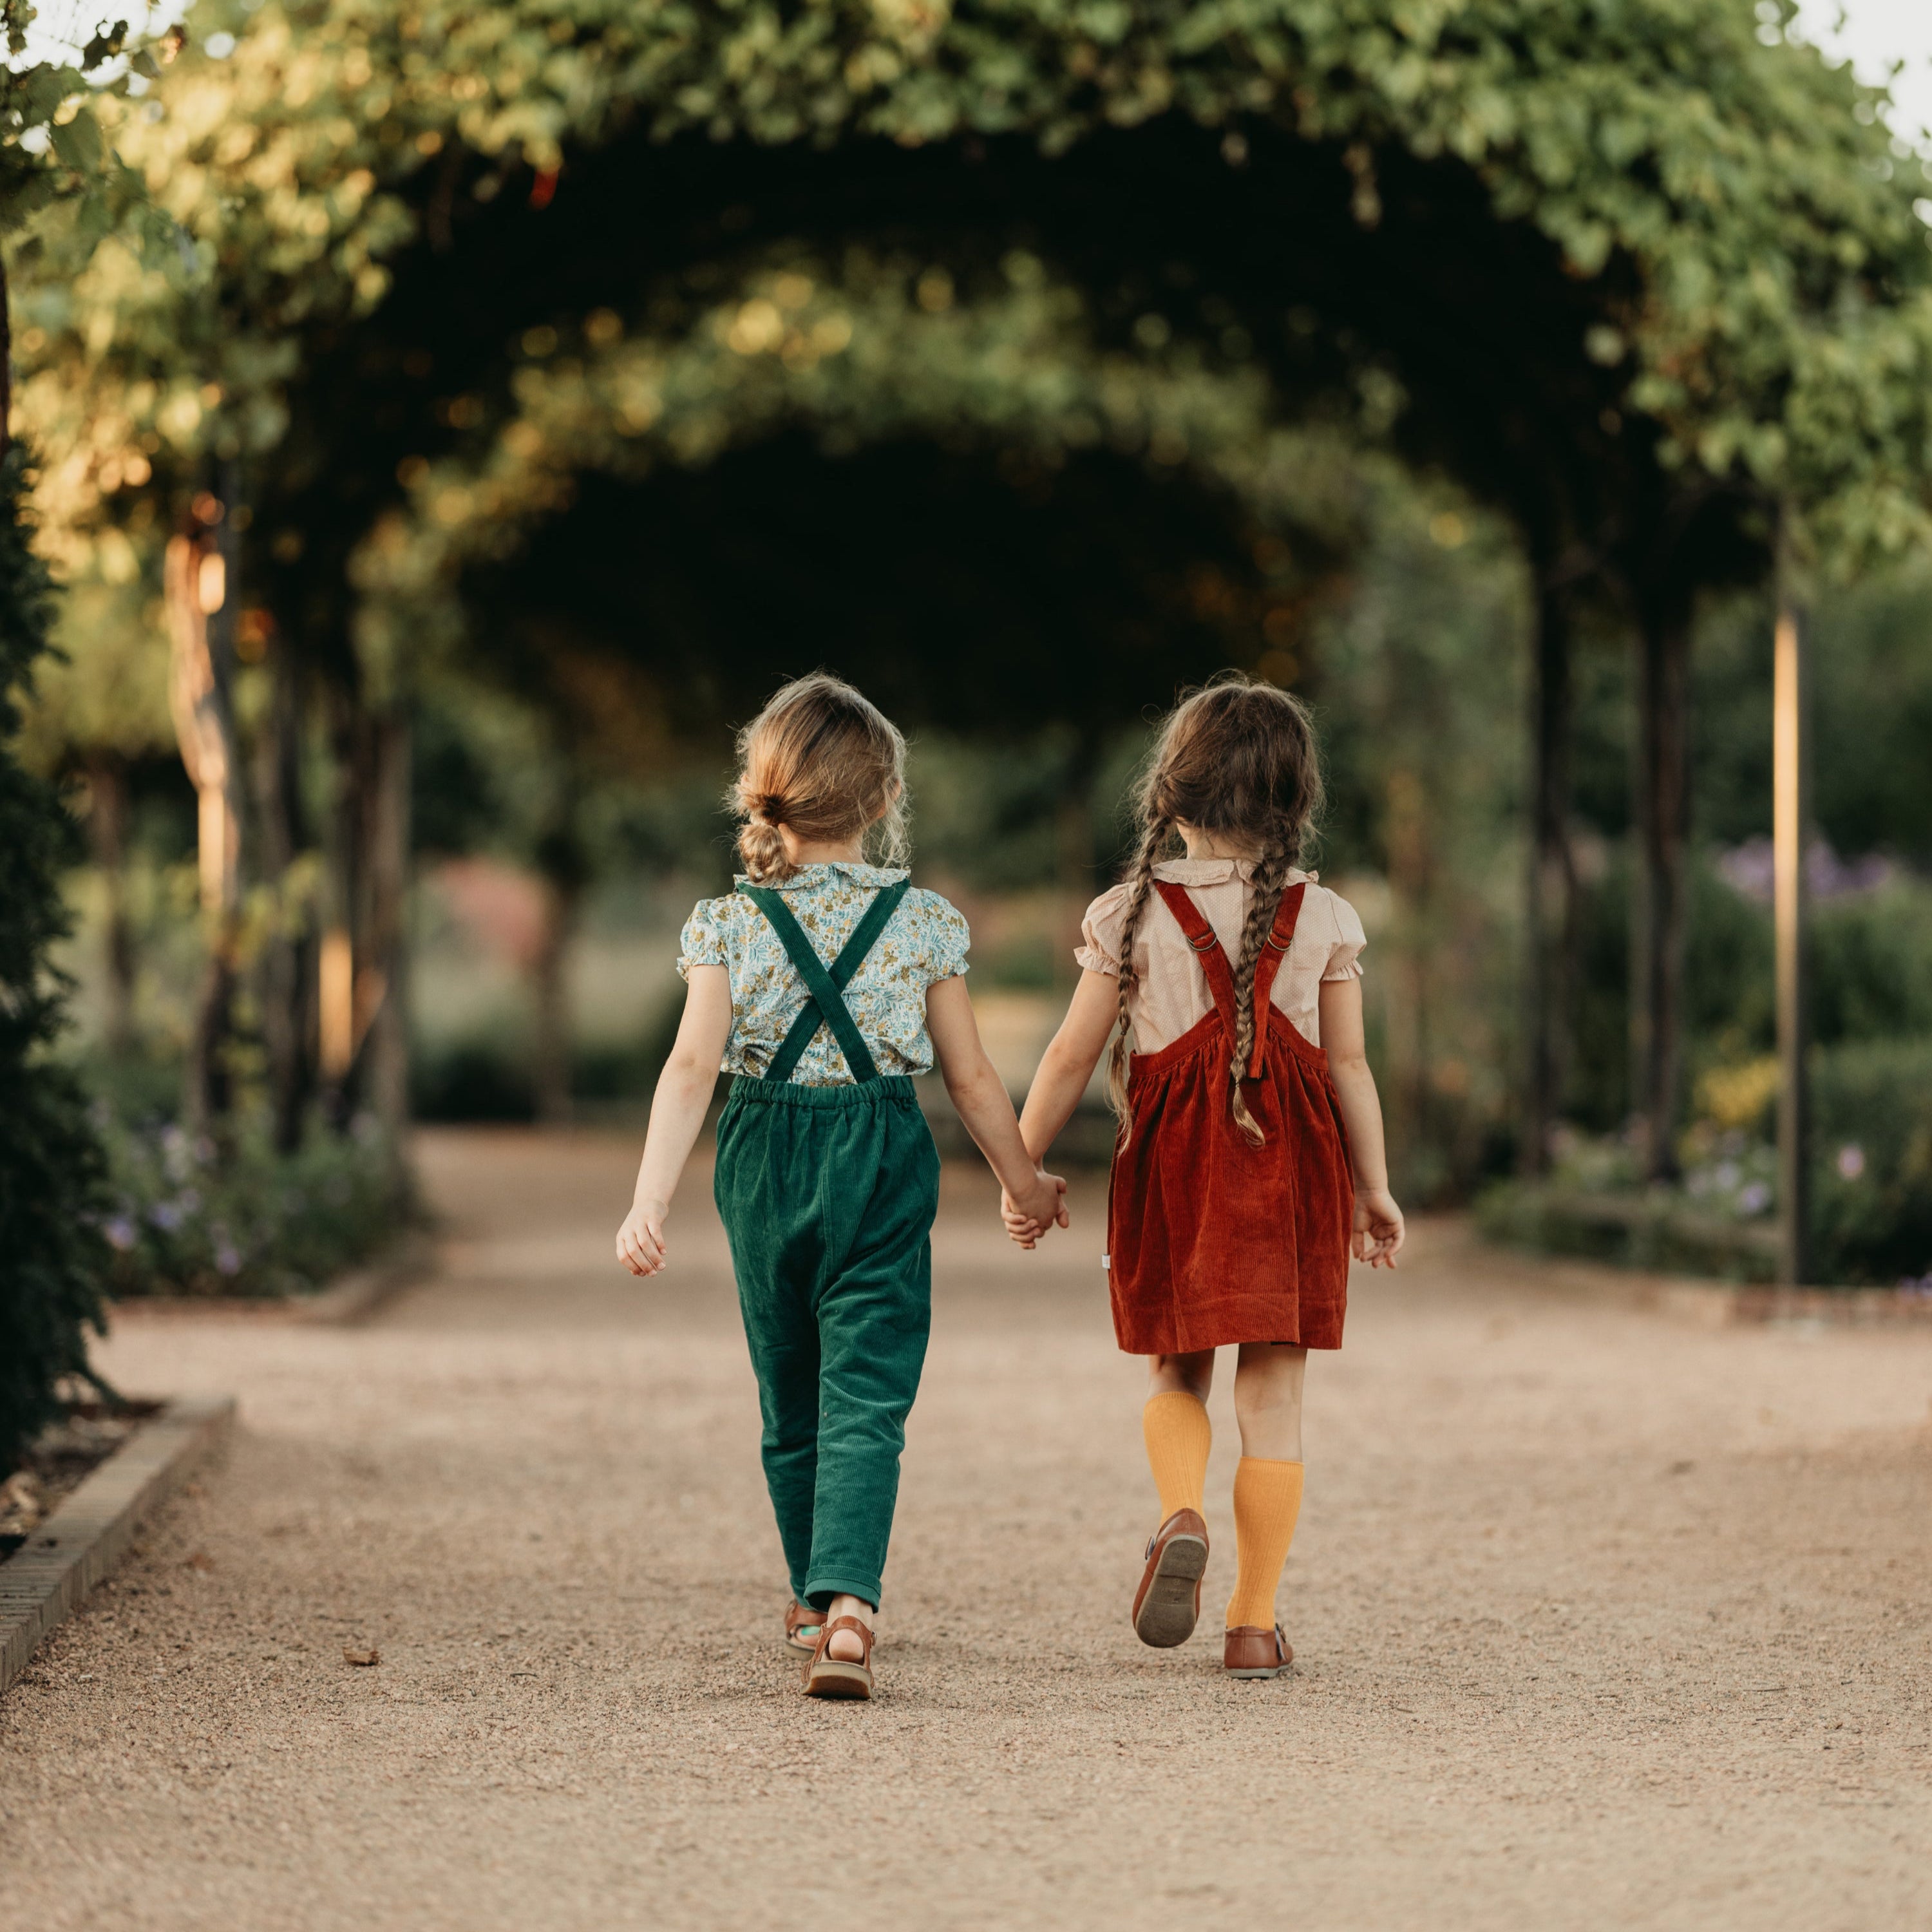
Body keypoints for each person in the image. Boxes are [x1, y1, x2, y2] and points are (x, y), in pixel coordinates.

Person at [616, 673, 1066, 1701]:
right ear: (881, 799)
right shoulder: (923, 923)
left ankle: (813, 1598)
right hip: (879, 1157)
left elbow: (691, 1069)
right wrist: (1025, 1184)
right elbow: (970, 1079)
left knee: (789, 1388)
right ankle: (850, 1604)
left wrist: (649, 1202)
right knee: (864, 1384)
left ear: (764, 793)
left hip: (762, 1163)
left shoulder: (727, 925)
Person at [1003, 675, 1403, 1679]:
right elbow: (1349, 1065)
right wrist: (1374, 1187)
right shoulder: (1324, 918)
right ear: (1295, 802)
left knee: (1177, 1367)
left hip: (1176, 1172)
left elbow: (1063, 1055)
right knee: (1274, 1396)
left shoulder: (1127, 914)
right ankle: (1253, 1625)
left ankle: (1180, 1507)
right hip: (1295, 1171)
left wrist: (1023, 1167)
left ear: (1170, 795)